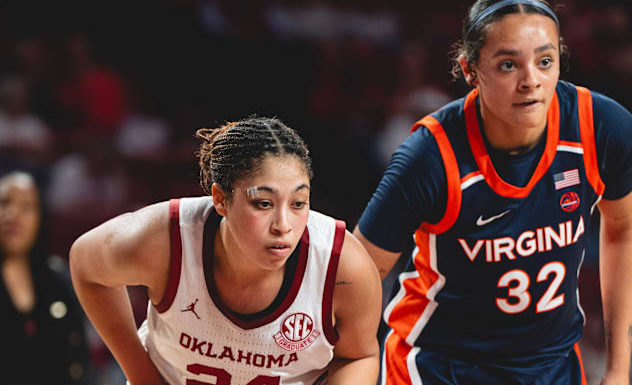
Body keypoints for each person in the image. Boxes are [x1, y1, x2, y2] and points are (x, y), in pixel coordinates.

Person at [352, 0, 632, 385]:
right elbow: (355, 278)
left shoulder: (604, 128)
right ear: (470, 70)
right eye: (509, 65)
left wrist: (618, 370)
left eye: (545, 61)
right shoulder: (429, 156)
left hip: (551, 365)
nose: (531, 81)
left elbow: (623, 229)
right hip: (439, 366)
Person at [69, 116, 382, 385]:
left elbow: (359, 356)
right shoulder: (165, 239)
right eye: (263, 203)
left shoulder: (342, 265)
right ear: (220, 199)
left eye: (298, 203)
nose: (283, 225)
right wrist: (142, 376)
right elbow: (85, 263)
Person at [0, 171, 92, 384]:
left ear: (40, 216)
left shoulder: (59, 279)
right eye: (4, 203)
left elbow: (79, 359)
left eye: (26, 206)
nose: (13, 215)